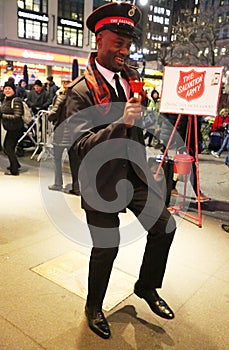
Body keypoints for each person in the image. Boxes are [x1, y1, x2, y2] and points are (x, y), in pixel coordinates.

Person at [66, 2, 176, 340]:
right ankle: (93, 306)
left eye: (128, 44)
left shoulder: (132, 80)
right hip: (99, 180)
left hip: (132, 174)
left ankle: (145, 286)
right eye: (118, 43)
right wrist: (121, 121)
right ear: (99, 40)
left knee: (165, 226)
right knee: (107, 247)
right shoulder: (81, 91)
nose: (124, 51)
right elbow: (77, 144)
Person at [47, 79, 72, 191]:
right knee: (74, 161)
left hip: (61, 133)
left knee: (57, 159)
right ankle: (76, 186)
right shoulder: (76, 100)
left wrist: (50, 118)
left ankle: (58, 183)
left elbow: (53, 113)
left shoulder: (60, 98)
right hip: (73, 133)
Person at [0, 81, 24, 175]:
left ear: (13, 90)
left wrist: (3, 116)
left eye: (9, 88)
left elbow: (17, 116)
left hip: (16, 128)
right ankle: (16, 164)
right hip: (11, 128)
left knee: (8, 148)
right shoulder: (6, 99)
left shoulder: (16, 100)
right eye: (5, 88)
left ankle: (14, 170)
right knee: (8, 147)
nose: (7, 90)